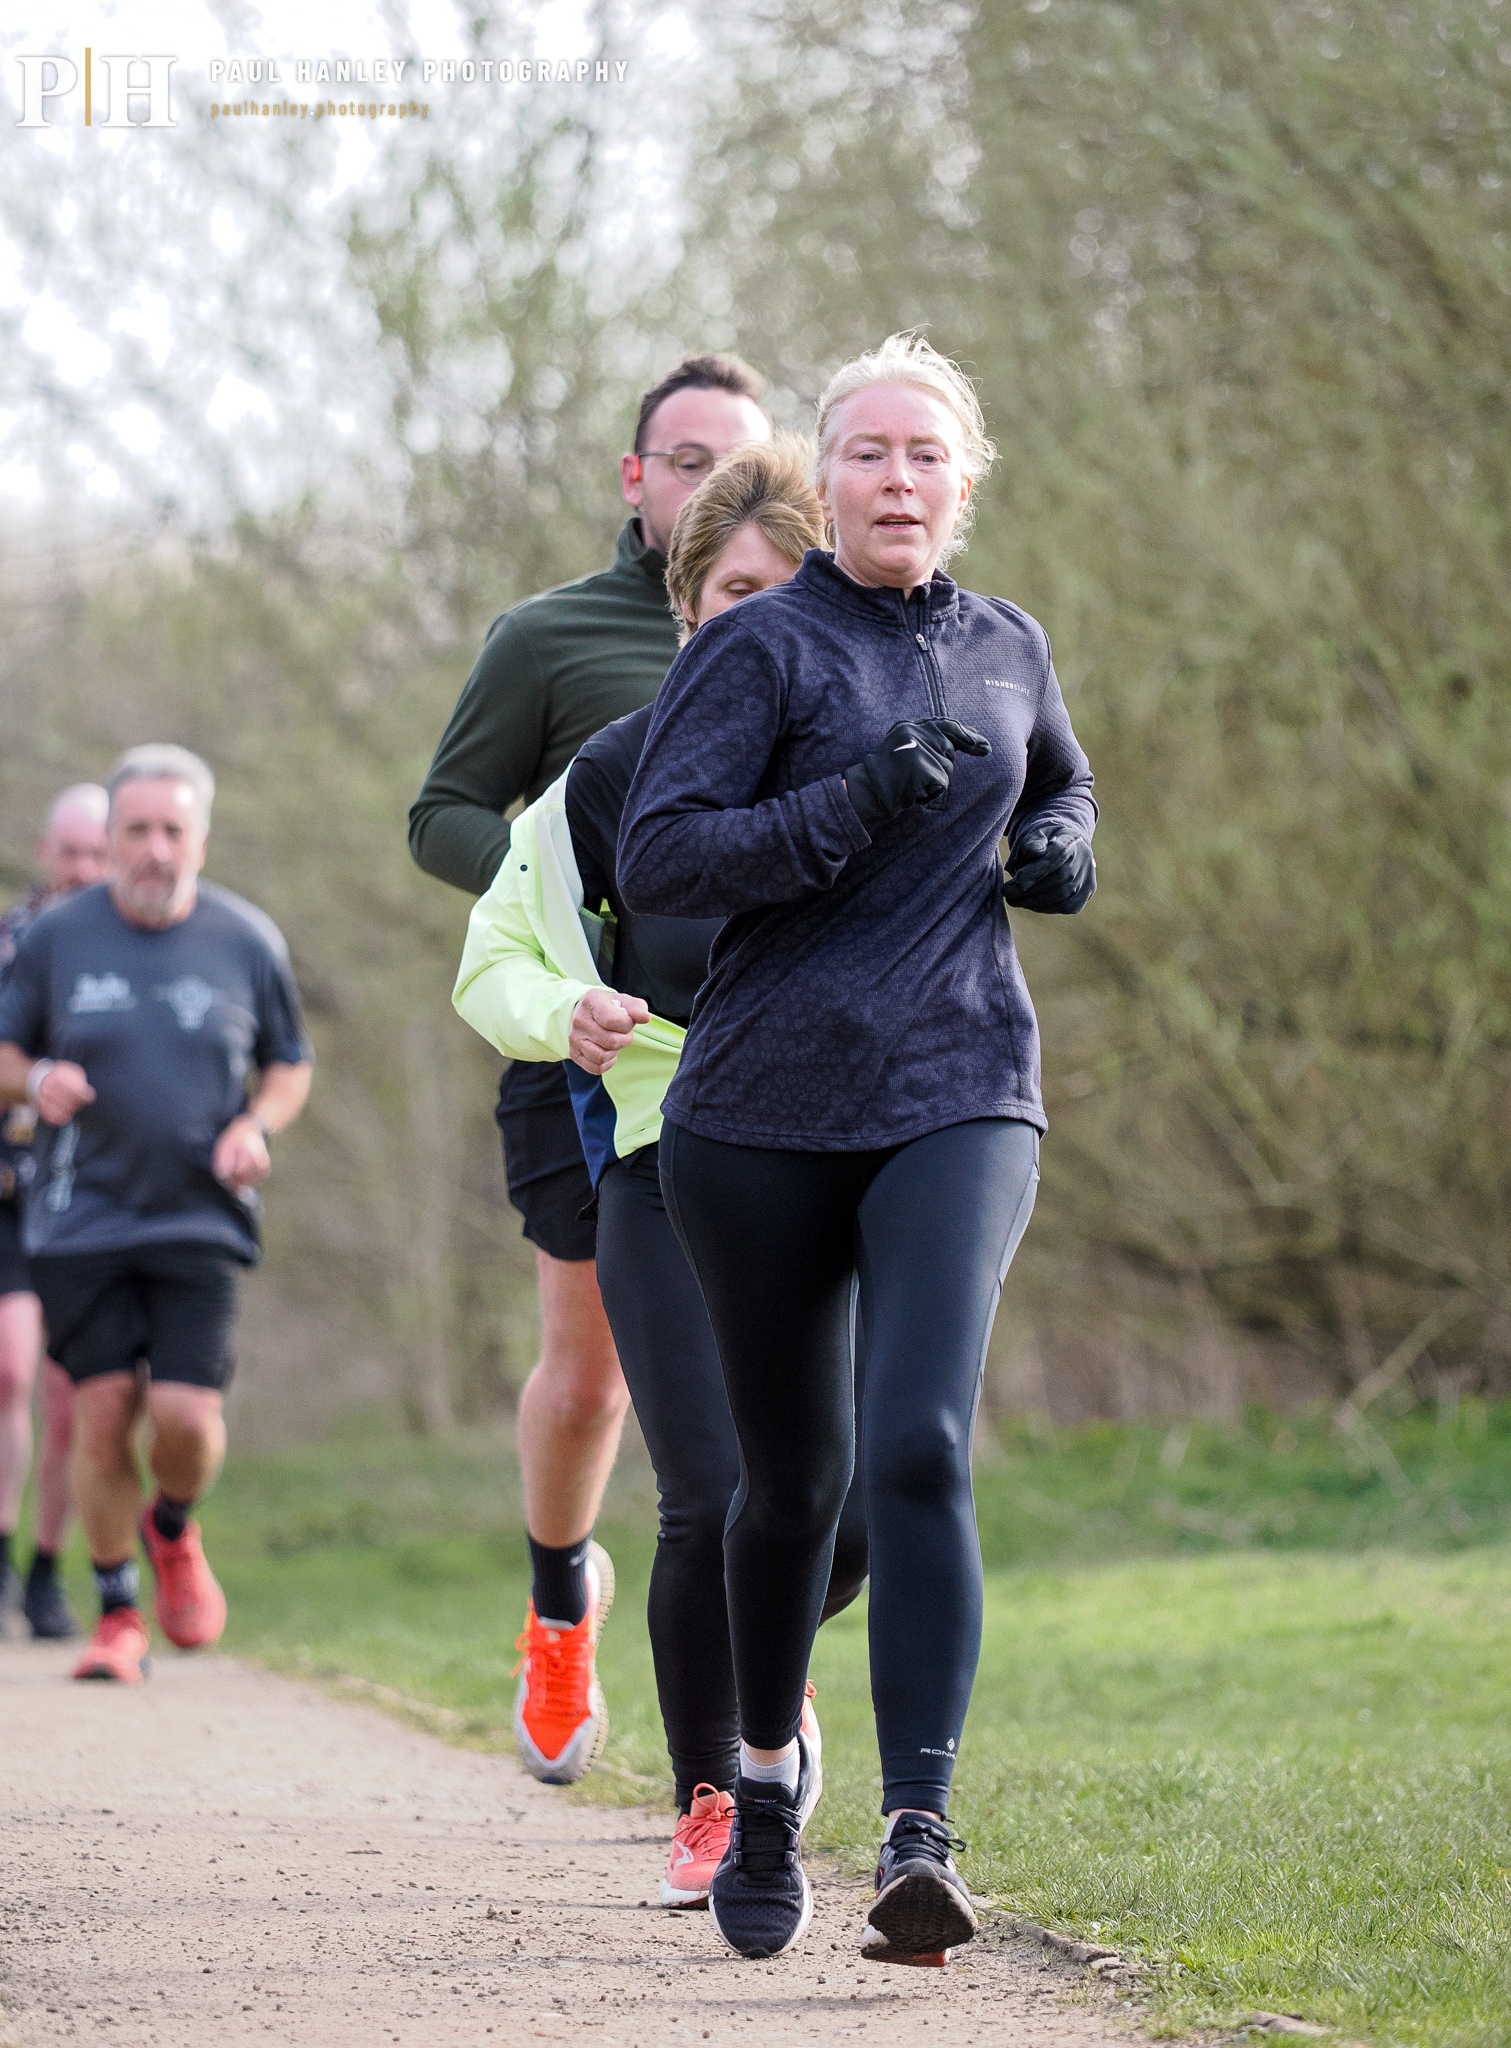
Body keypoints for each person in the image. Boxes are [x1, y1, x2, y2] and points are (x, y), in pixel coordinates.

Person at [617, 334, 1098, 1964]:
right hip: (754, 1117)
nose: (898, 479)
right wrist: (855, 804)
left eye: (924, 454)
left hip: (960, 1085)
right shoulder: (761, 650)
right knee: (788, 1482)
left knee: (919, 1448)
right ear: (829, 480)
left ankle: (919, 1833)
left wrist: (1060, 841)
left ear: (965, 478)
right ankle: (757, 1789)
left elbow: (1063, 773)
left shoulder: (1007, 643)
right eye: (868, 454)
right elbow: (662, 855)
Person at [454, 440, 869, 1906]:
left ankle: (773, 1664)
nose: (752, 619)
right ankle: (712, 1796)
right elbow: (491, 959)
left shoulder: (867, 759)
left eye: (782, 591)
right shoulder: (609, 775)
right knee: (705, 1494)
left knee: (859, 1499)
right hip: (661, 1158)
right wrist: (560, 1011)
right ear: (688, 604)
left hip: (843, 1157)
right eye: (727, 593)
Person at [410, 353, 774, 1779]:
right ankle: (560, 1601)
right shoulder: (554, 639)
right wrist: (553, 900)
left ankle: (760, 1677)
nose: (705, 483)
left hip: (762, 1057)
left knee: (761, 1385)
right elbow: (443, 810)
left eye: (732, 460)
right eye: (680, 460)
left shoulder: (805, 623)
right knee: (593, 1379)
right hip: (582, 1043)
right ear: (636, 481)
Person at [0, 745, 313, 1684]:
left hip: (201, 1217)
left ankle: (171, 1525)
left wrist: (258, 1122)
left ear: (200, 838)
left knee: (185, 1422)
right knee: (100, 1409)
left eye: (173, 830)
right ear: (111, 839)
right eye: (138, 831)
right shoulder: (57, 939)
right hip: (80, 1216)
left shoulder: (248, 939)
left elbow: (291, 1060)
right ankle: (118, 1609)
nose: (155, 849)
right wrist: (36, 1078)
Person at [0, 784, 111, 1637]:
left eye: (99, 854)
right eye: (72, 854)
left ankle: (47, 1570)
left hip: (86, 1193)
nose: (85, 871)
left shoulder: (132, 954)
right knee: (7, 1370)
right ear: (44, 852)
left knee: (71, 1394)